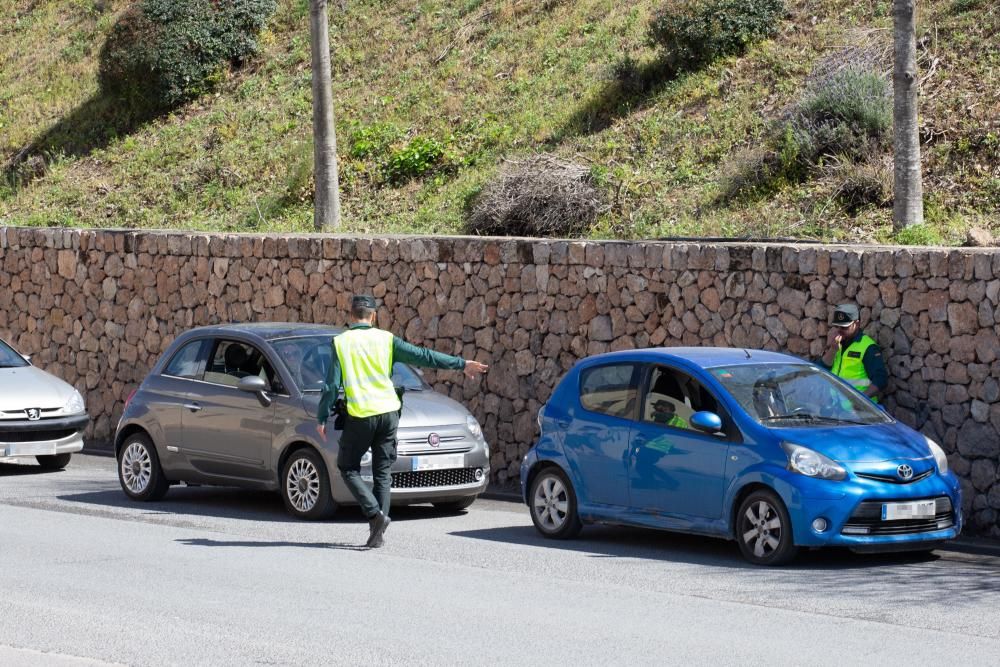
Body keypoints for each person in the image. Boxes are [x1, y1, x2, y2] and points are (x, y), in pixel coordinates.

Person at [316, 295, 488, 548]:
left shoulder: (341, 342)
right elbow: (424, 356)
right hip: (389, 414)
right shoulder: (387, 340)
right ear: (373, 317)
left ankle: (375, 514)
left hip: (362, 415)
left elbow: (332, 385)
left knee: (348, 467)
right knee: (382, 472)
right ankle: (378, 532)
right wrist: (461, 364)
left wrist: (322, 415)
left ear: (351, 316)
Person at [820, 303, 887, 402]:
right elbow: (822, 368)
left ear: (857, 324)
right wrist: (832, 350)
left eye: (844, 327)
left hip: (860, 412)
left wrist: (860, 400)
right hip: (837, 408)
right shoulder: (836, 342)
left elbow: (881, 379)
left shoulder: (868, 347)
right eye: (837, 327)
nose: (840, 331)